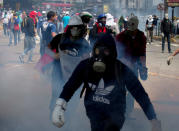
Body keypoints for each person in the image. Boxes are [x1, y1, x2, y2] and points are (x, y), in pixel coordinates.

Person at [51, 34, 162, 131]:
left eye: (106, 51)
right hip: (93, 111)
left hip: (115, 112)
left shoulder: (120, 69)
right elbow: (71, 85)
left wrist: (153, 119)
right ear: (94, 51)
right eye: (98, 51)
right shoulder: (86, 66)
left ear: (113, 53)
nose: (101, 55)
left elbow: (140, 94)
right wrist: (60, 105)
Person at [46, 15, 91, 118]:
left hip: (76, 79)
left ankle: (68, 122)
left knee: (73, 101)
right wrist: (54, 55)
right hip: (58, 76)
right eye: (73, 27)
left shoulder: (84, 43)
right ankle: (52, 120)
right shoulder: (60, 38)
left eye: (78, 27)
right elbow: (47, 49)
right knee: (56, 98)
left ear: (81, 28)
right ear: (69, 27)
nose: (75, 29)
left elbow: (87, 60)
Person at [116, 16, 148, 119]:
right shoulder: (121, 36)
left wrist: (143, 67)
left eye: (133, 31)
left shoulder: (141, 36)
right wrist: (126, 62)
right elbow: (117, 54)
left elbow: (142, 53)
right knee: (120, 90)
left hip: (134, 67)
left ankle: (128, 113)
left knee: (132, 91)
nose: (132, 32)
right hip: (121, 66)